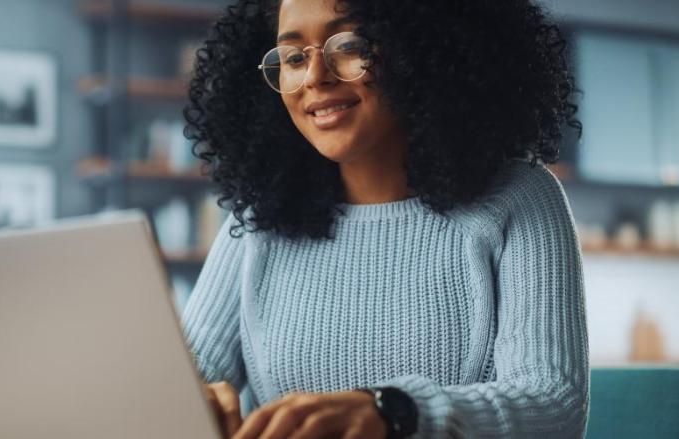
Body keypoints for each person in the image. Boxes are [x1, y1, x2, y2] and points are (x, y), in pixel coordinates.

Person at [180, 0, 588, 437]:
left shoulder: (518, 198)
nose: (315, 77)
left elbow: (553, 404)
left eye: (349, 45)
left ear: (422, 48)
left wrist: (395, 413)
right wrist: (188, 396)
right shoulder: (261, 219)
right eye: (295, 57)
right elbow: (190, 372)